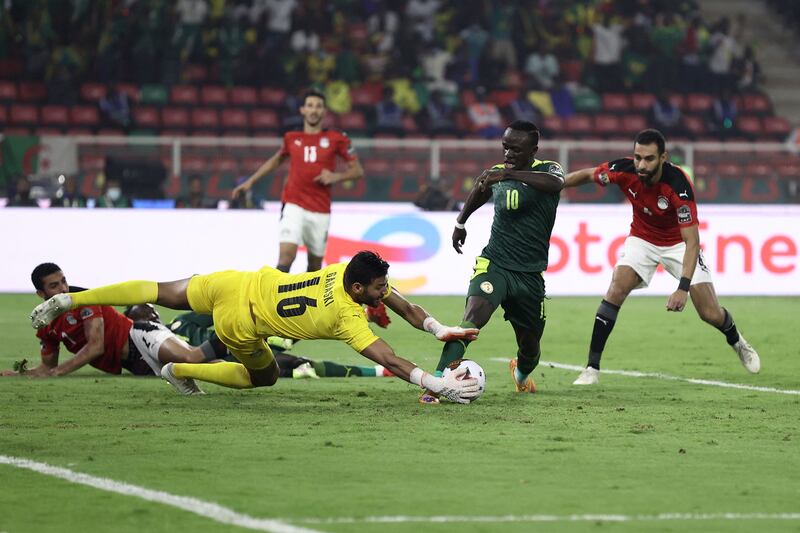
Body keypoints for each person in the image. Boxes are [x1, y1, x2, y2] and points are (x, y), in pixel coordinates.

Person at [30, 251, 481, 404]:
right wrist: (434, 382)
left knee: (160, 290)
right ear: (359, 287)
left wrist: (437, 327)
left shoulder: (346, 270)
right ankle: (181, 371)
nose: (386, 292)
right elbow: (389, 358)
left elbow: (401, 303)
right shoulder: (345, 317)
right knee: (263, 377)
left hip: (237, 282)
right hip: (242, 322)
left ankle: (69, 298)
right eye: (379, 288)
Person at [562, 129, 760, 385]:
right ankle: (591, 368)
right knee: (616, 288)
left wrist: (682, 289)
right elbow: (588, 174)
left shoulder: (678, 186)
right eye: (637, 157)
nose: (641, 165)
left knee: (710, 313)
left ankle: (737, 340)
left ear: (663, 157)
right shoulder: (623, 170)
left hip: (678, 244)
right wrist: (556, 184)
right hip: (643, 239)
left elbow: (692, 242)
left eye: (649, 159)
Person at [420, 120, 565, 403]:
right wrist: (461, 222)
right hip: (495, 264)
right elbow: (480, 189)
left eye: (516, 149)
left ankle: (521, 374)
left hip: (530, 276)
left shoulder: (548, 170)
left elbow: (557, 183)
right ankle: (436, 384)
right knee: (471, 320)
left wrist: (511, 177)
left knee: (530, 348)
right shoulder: (497, 175)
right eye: (505, 147)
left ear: (533, 150)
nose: (508, 153)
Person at [2, 263, 215, 395]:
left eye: (63, 281)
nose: (63, 289)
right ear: (41, 294)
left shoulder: (83, 299)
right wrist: (20, 374)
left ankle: (228, 350)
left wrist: (59, 372)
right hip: (136, 365)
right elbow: (47, 367)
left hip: (140, 335)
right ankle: (236, 362)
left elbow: (96, 346)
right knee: (202, 366)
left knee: (191, 358)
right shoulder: (45, 325)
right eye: (54, 286)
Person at [231, 89, 364, 273]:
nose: (314, 110)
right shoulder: (291, 138)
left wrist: (336, 176)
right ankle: (274, 298)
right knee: (286, 256)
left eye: (318, 106)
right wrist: (250, 182)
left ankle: (309, 300)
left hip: (320, 209)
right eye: (310, 106)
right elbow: (276, 160)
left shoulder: (337, 139)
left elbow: (357, 170)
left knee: (315, 267)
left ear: (324, 111)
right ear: (302, 110)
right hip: (293, 204)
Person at [125, 304, 393, 379]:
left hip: (238, 341)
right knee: (298, 367)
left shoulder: (182, 321)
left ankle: (363, 316)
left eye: (150, 309)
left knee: (286, 334)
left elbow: (219, 312)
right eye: (143, 311)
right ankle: (380, 371)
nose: (151, 313)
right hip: (233, 362)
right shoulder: (156, 340)